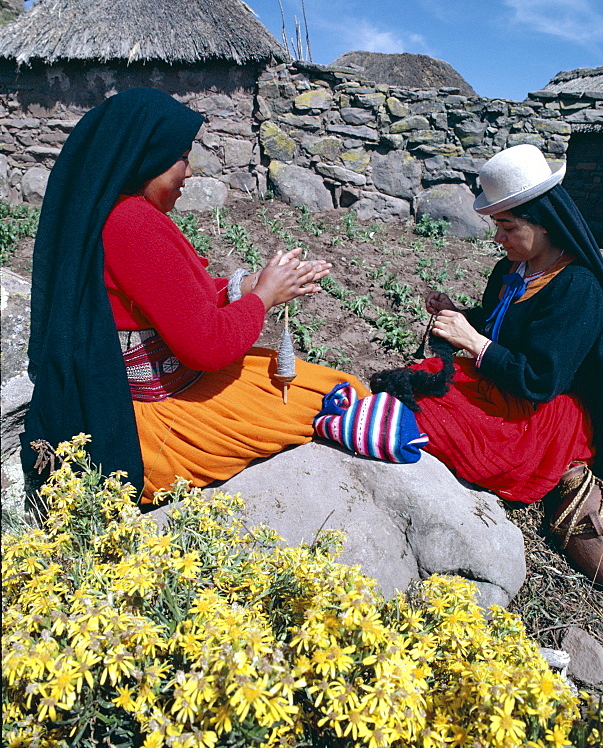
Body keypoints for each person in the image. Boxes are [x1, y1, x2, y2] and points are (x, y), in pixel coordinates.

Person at [22, 88, 367, 502]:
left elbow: (178, 298)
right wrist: (264, 298)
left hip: (173, 385)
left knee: (328, 384)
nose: (189, 172)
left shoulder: (117, 212)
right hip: (153, 417)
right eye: (182, 157)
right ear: (145, 159)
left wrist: (253, 284)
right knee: (329, 401)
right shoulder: (130, 224)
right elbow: (207, 346)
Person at [409, 144, 603, 504]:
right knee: (415, 385)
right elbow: (498, 329)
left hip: (545, 412)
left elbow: (540, 380)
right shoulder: (510, 270)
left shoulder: (578, 289)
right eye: (497, 226)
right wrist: (459, 316)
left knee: (433, 419)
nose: (498, 239)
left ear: (544, 223)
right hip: (505, 388)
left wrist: (472, 342)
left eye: (508, 227)